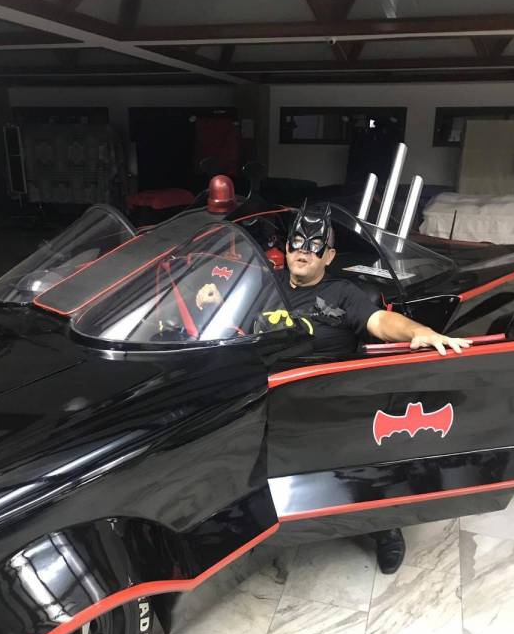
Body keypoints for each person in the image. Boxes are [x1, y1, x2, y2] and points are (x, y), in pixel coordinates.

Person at [197, 202, 471, 573]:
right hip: (269, 397)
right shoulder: (265, 284)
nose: (302, 252)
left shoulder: (344, 293)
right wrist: (214, 304)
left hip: (327, 400)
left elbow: (380, 321)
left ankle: (385, 528)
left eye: (314, 246)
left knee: (368, 464)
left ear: (328, 256)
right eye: (296, 243)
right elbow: (237, 321)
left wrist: (418, 332)